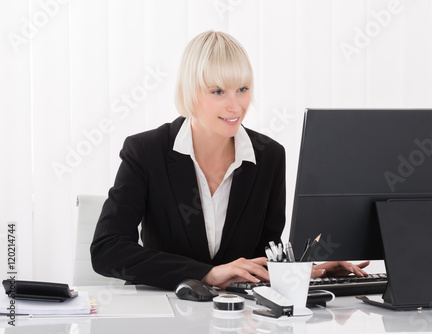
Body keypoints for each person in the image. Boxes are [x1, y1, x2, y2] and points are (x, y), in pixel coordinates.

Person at [90, 31, 369, 290]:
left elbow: (264, 256)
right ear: (191, 91)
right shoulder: (146, 151)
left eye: (243, 89)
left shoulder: (268, 156)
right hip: (167, 309)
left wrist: (311, 271)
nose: (235, 106)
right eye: (218, 91)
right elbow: (108, 250)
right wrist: (206, 274)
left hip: (239, 315)